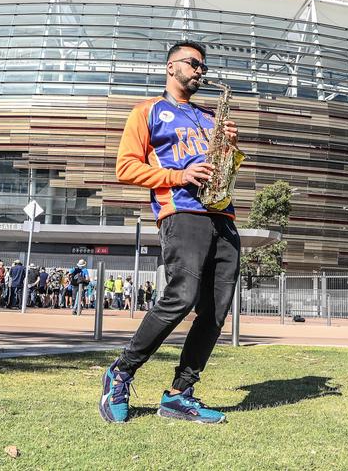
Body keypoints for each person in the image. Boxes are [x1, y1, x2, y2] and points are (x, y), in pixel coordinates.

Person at [99, 40, 240, 424]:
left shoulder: (209, 117)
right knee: (181, 296)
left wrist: (228, 147)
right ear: (170, 66)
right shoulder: (146, 112)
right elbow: (125, 168)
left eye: (203, 67)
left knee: (216, 311)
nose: (199, 71)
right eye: (193, 64)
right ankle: (121, 372)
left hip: (223, 216)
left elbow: (225, 168)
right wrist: (179, 175)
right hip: (181, 212)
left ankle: (180, 393)